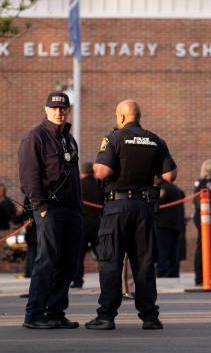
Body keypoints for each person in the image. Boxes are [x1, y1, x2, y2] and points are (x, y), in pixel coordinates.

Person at [86, 99, 177, 331]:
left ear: (122, 117)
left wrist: (96, 169)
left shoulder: (113, 138)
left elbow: (103, 171)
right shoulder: (155, 140)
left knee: (111, 261)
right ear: (139, 116)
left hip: (117, 208)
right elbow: (170, 175)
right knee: (144, 263)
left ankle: (106, 316)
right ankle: (150, 317)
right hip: (144, 209)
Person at [18, 91, 82, 330]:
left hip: (71, 210)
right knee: (46, 260)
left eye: (63, 108)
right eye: (54, 108)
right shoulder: (35, 137)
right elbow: (29, 176)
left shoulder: (68, 139)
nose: (59, 112)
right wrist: (41, 206)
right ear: (46, 110)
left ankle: (55, 312)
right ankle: (34, 314)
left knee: (68, 263)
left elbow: (73, 176)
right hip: (50, 209)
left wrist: (79, 207)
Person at [72, 161, 103, 289]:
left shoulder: (79, 186)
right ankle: (106, 279)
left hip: (82, 223)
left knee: (79, 255)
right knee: (102, 254)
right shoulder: (99, 185)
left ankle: (78, 281)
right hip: (97, 222)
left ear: (82, 172)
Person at [156, 177, 185, 278]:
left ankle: (162, 272)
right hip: (175, 224)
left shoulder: (163, 188)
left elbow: (158, 203)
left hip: (163, 225)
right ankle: (173, 272)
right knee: (173, 251)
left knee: (162, 250)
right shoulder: (176, 189)